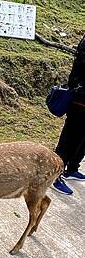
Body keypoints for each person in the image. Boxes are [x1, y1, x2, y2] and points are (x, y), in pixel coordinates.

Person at [53, 33, 85, 194]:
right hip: (80, 101)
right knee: (70, 139)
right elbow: (79, 72)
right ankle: (55, 175)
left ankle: (72, 168)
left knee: (83, 141)